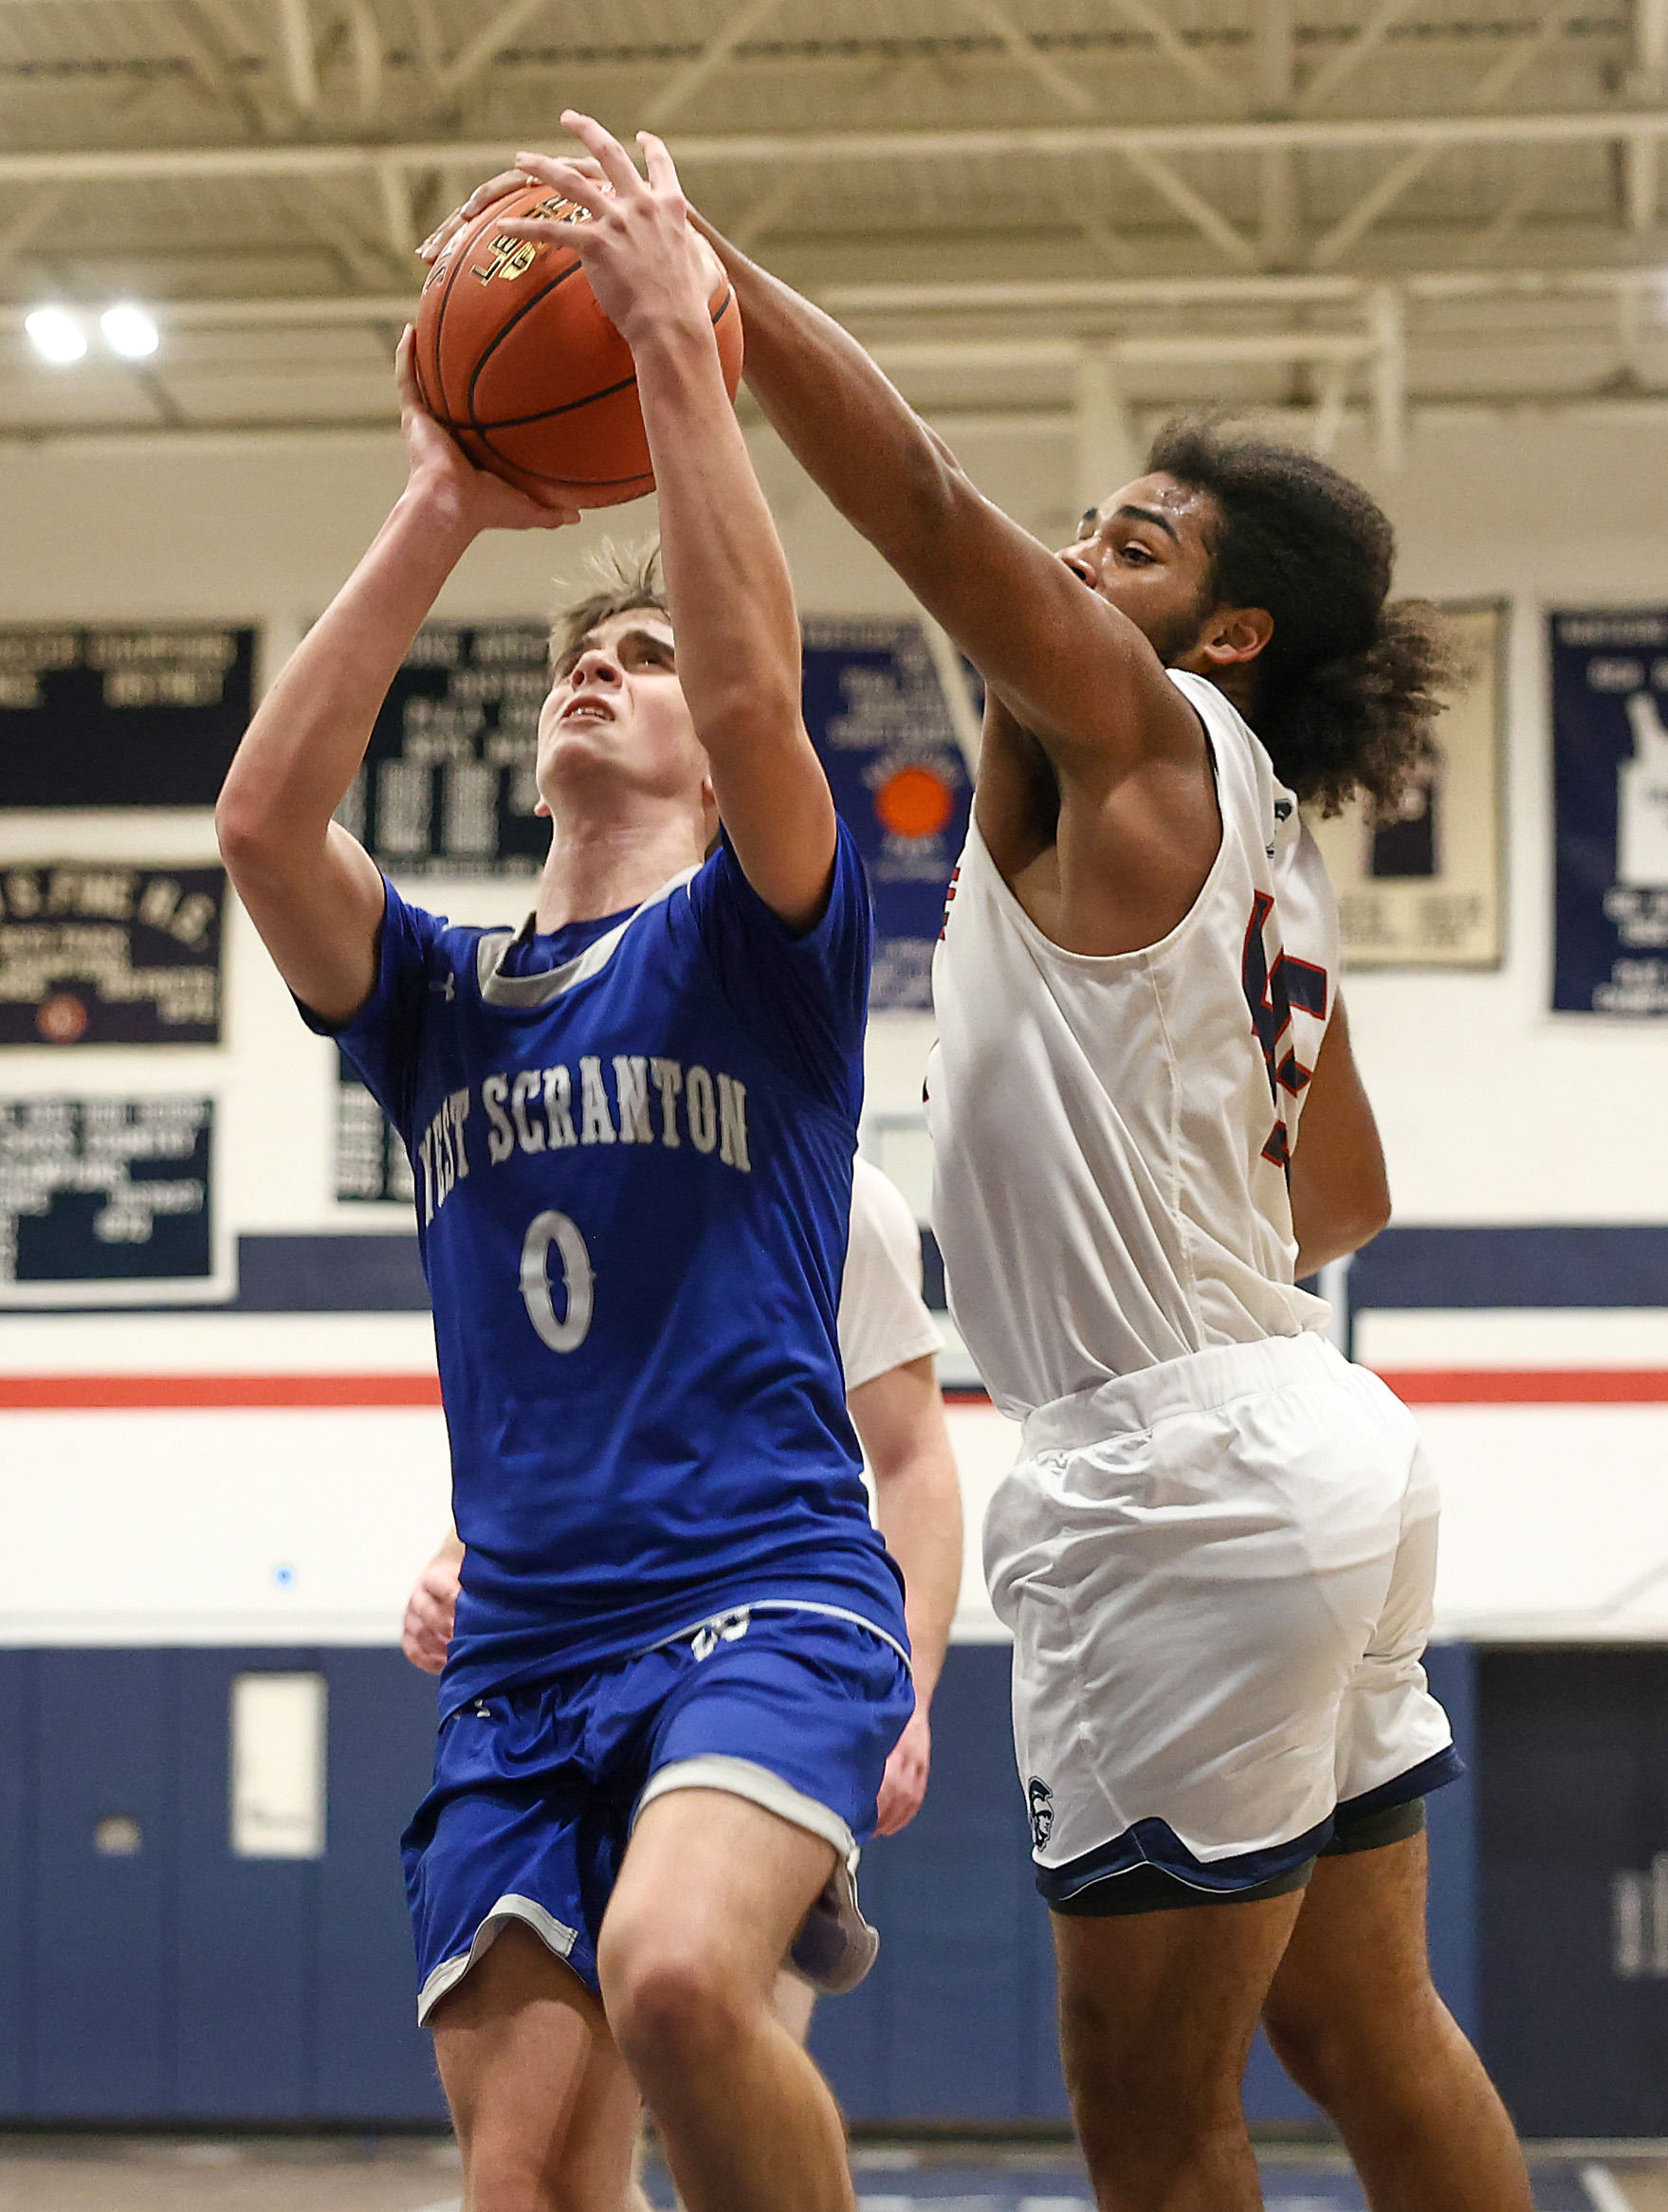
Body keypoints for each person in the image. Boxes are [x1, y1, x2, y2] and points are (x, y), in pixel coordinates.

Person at [583, 243, 1531, 2210]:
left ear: (1233, 630)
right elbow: (1340, 1195)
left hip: (1172, 1471)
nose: (1087, 559)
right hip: (1317, 1425)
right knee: (1369, 2029)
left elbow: (923, 502)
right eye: (1091, 526)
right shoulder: (1257, 845)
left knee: (1152, 2117)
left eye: (1142, 543)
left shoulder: (1149, 726)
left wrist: (707, 296)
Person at [218, 111, 917, 2212]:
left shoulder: (758, 945)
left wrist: (675, 356)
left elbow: (756, 680)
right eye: (568, 657)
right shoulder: (437, 996)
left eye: (636, 660)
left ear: (705, 744)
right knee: (523, 2184)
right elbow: (262, 823)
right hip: (522, 1638)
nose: (596, 672)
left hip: (760, 1586)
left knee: (687, 1981)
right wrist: (446, 492)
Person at [402, 1154, 963, 2210]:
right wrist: (454, 1559)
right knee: (537, 2170)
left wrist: (915, 1690)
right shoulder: (542, 1165)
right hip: (557, 1673)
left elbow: (912, 1457)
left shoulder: (837, 1193)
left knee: (700, 2037)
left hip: (756, 1649)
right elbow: (550, 1445)